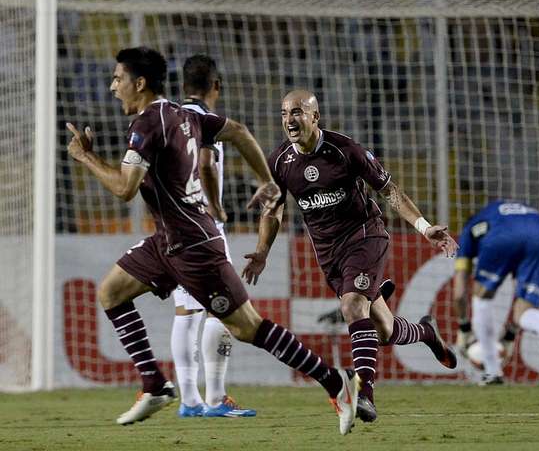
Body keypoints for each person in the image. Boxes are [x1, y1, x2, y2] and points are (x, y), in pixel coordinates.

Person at [67, 48, 360, 435]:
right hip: (166, 240)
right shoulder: (184, 114)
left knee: (247, 328)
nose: (112, 86)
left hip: (192, 245)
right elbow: (238, 131)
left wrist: (85, 158)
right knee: (110, 293)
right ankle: (155, 385)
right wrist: (265, 180)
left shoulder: (147, 125)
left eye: (118, 79)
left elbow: (124, 188)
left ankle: (337, 382)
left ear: (139, 84)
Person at [242, 89, 459, 424]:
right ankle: (426, 332)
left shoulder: (346, 150)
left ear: (315, 117)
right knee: (384, 331)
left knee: (352, 306)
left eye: (297, 112)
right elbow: (273, 212)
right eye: (284, 113)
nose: (289, 120)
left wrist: (424, 226)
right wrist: (261, 252)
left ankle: (364, 395)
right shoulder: (280, 162)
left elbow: (390, 191)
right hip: (329, 254)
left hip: (365, 237)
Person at [170, 54, 255, 418]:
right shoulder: (207, 121)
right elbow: (205, 164)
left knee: (186, 312)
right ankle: (216, 398)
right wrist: (217, 207)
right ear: (215, 87)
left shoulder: (170, 119)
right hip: (203, 226)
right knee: (222, 311)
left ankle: (189, 400)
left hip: (174, 225)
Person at [452, 200, 539, 385]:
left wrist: (464, 328)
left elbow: (459, 292)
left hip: (501, 236)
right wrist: (510, 333)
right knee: (524, 309)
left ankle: (492, 371)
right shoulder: (499, 211)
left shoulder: (470, 230)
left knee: (481, 297)